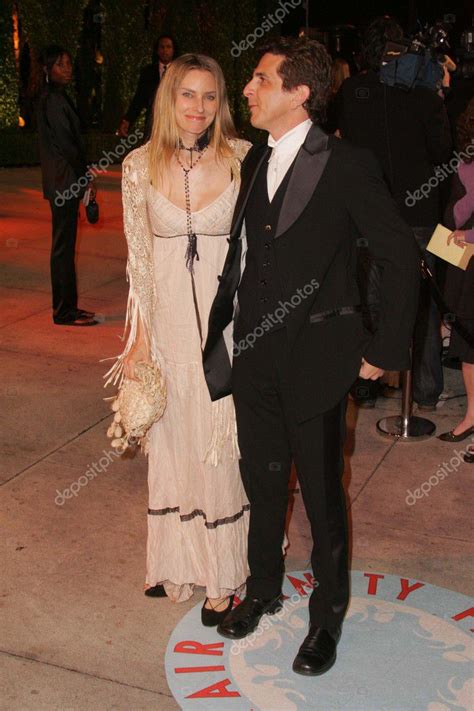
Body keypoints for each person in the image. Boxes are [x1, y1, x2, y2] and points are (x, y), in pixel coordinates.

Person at [203, 37, 419, 674]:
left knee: (324, 500)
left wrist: (381, 350)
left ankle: (326, 620)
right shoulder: (253, 162)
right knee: (262, 484)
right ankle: (264, 590)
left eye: (260, 80)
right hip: (255, 359)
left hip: (319, 361)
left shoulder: (346, 163)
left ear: (299, 93)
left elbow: (399, 255)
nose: (247, 90)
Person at [109, 54, 251, 626]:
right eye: (187, 95)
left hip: (230, 327)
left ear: (223, 104)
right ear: (168, 100)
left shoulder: (244, 158)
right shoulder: (137, 166)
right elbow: (138, 260)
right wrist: (139, 343)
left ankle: (224, 571)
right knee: (171, 441)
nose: (198, 108)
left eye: (210, 96)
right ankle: (175, 562)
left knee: (221, 444)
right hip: (166, 323)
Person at [336, 16, 452, 409]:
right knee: (422, 303)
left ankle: (365, 386)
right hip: (421, 215)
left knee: (368, 302)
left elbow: (347, 149)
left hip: (370, 214)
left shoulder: (353, 92)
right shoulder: (424, 97)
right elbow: (443, 156)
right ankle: (425, 391)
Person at [37, 45, 98, 326]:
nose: (68, 68)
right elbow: (67, 144)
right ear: (47, 69)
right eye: (61, 64)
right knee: (63, 248)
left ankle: (67, 307)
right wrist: (84, 175)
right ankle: (63, 311)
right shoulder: (52, 100)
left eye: (69, 64)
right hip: (64, 183)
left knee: (65, 246)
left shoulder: (58, 97)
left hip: (64, 181)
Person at [438, 98, 474, 460]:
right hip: (467, 269)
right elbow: (452, 217)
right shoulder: (464, 166)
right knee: (468, 345)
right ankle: (472, 416)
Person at [116, 34, 176, 141]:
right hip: (153, 124)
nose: (165, 50)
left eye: (168, 47)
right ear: (157, 50)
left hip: (176, 123)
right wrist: (127, 120)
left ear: (173, 50)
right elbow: (139, 99)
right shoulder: (148, 72)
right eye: (162, 47)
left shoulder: (180, 72)